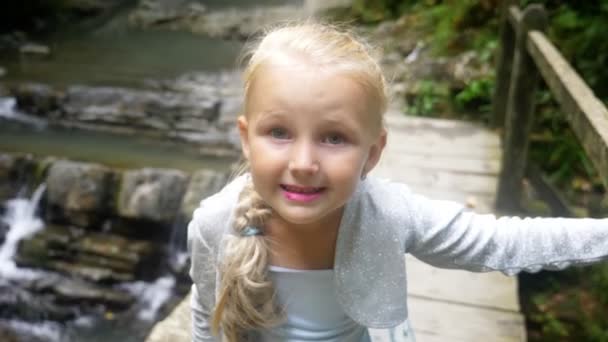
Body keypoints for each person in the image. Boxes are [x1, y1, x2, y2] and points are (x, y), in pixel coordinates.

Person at [187, 22, 608, 342]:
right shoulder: (215, 224)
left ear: (372, 153)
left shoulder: (388, 214)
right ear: (246, 138)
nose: (303, 163)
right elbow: (208, 318)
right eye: (279, 132)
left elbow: (499, 242)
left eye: (334, 137)